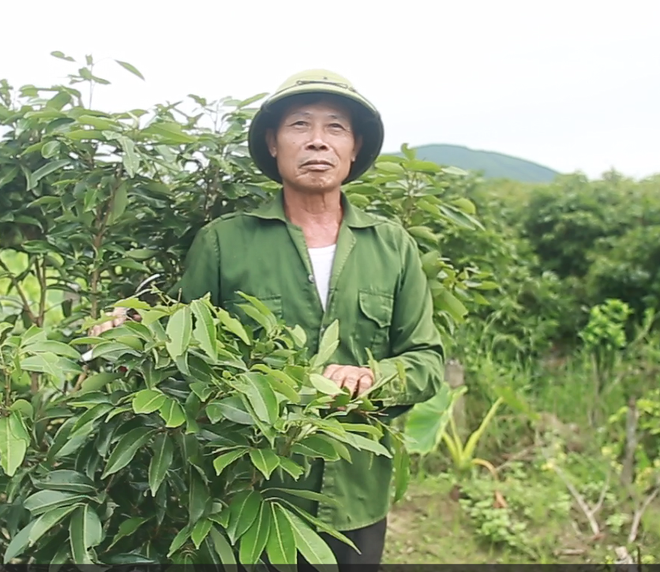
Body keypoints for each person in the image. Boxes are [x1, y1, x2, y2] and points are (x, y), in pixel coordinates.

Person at [92, 69, 445, 568]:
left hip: (355, 494)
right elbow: (184, 345)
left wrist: (374, 376)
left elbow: (426, 359)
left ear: (354, 146)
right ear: (273, 144)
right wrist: (135, 330)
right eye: (299, 125)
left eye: (335, 128)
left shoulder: (392, 247)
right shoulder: (223, 241)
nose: (317, 141)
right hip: (247, 492)